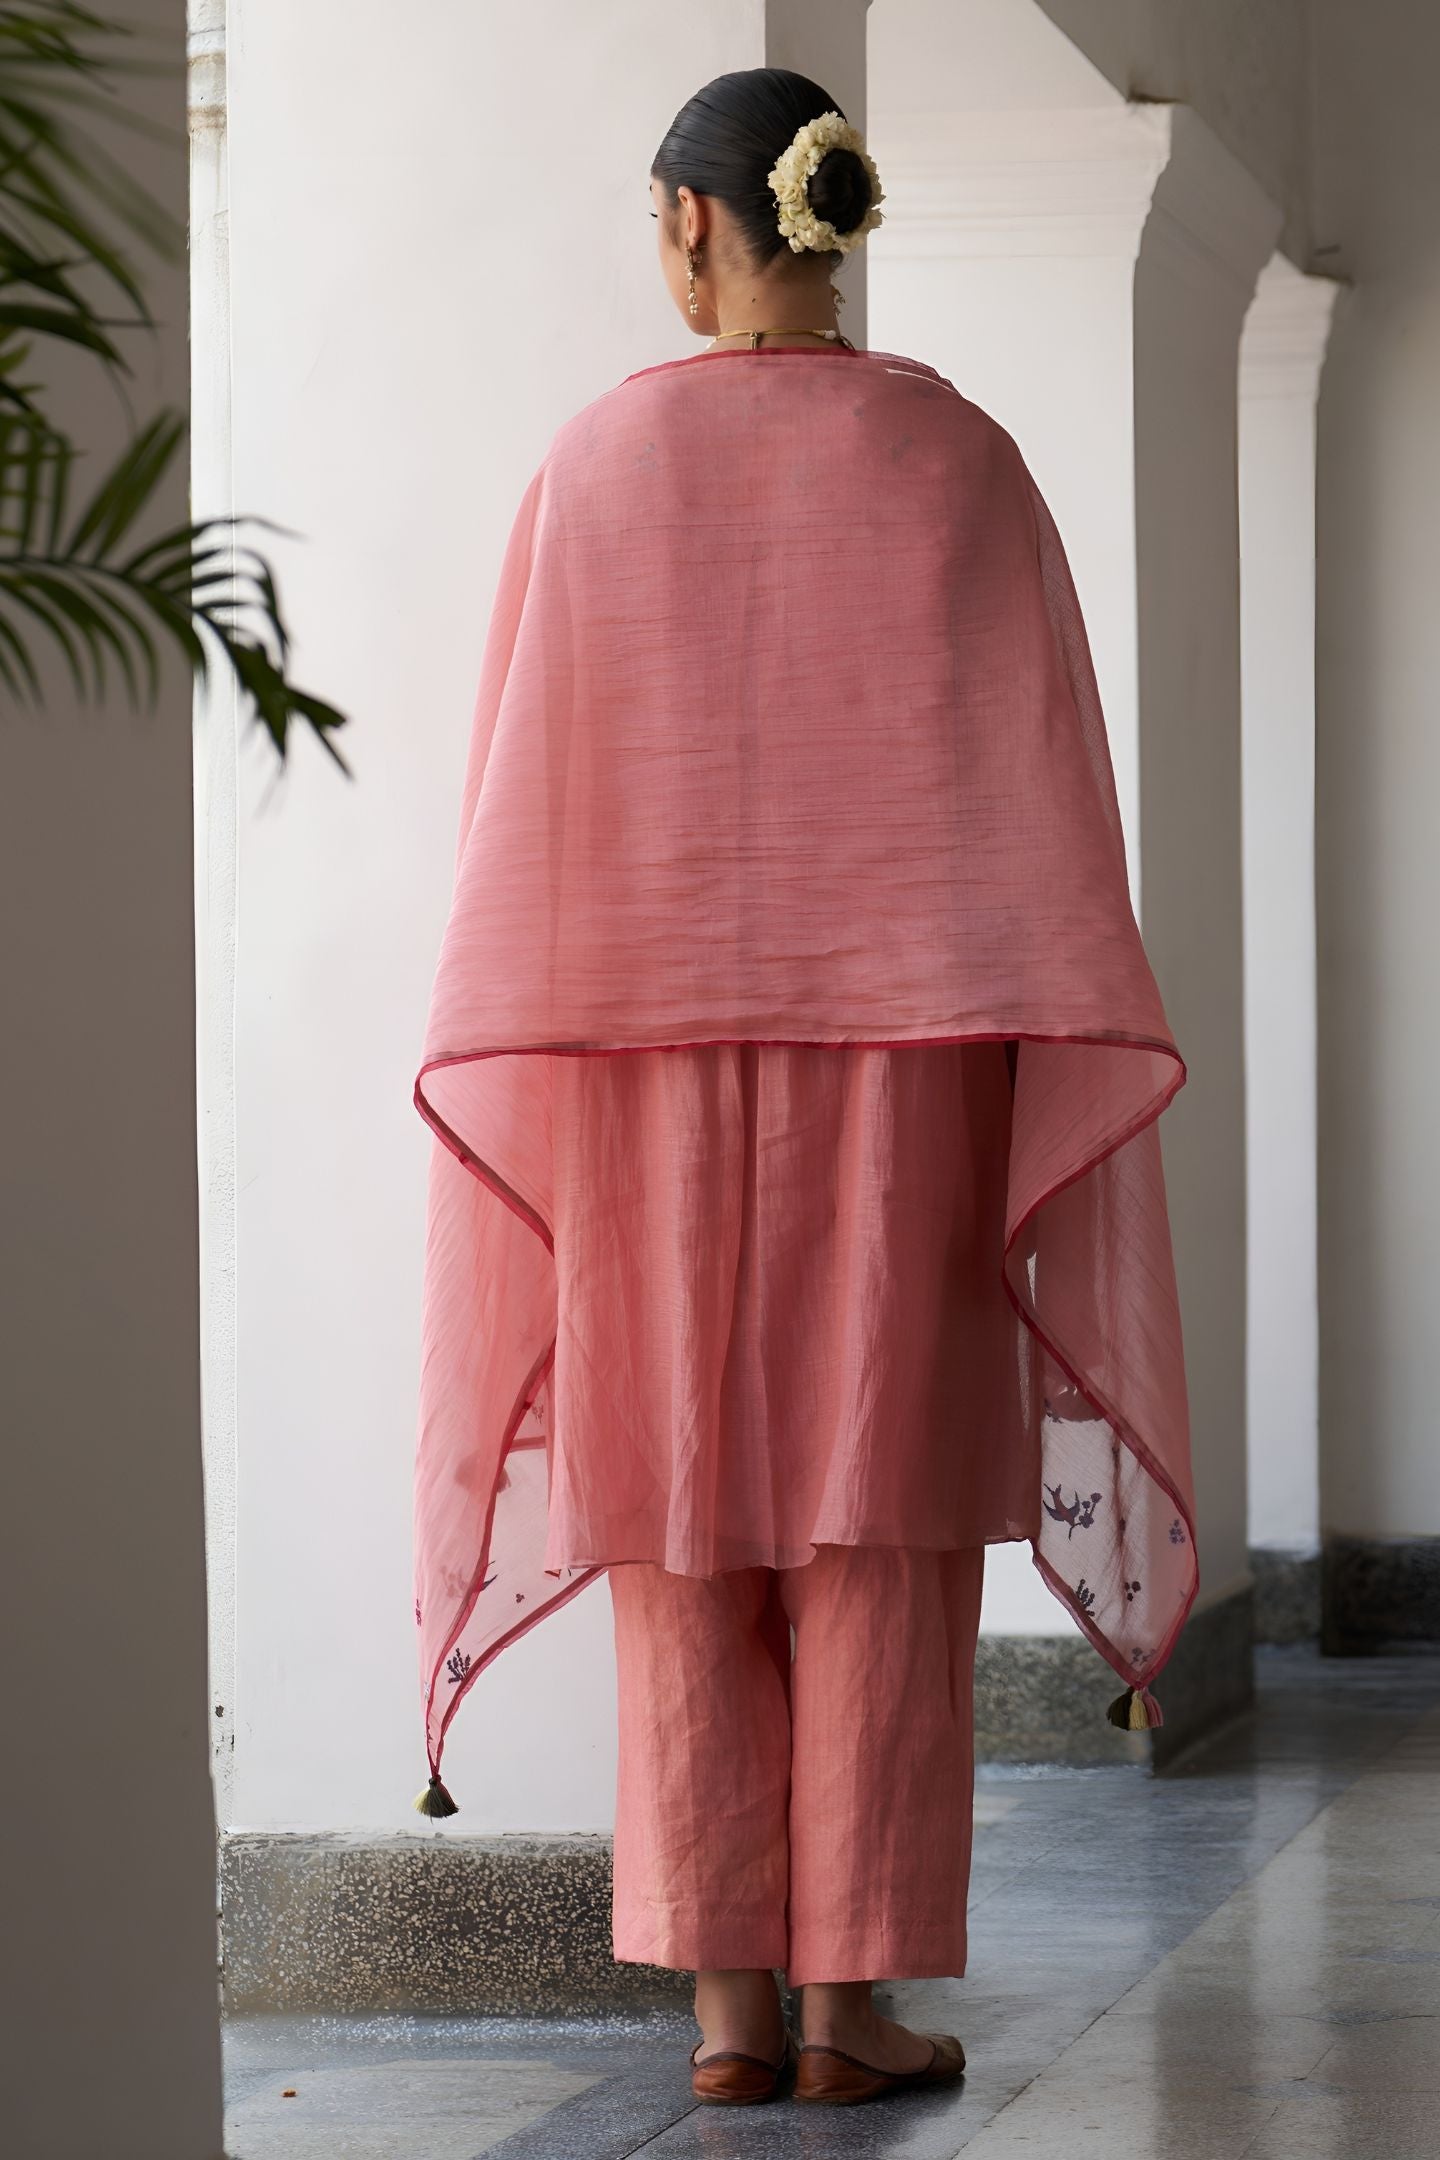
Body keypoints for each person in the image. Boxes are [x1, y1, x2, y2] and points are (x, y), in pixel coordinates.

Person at [410, 68, 1196, 2111]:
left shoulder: (595, 469)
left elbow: (524, 833)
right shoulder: (964, 464)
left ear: (693, 224)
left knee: (681, 1520)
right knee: (882, 1534)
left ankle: (728, 2018)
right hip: (906, 1088)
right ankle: (852, 2008)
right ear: (830, 221)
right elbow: (1044, 807)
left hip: (655, 1089)